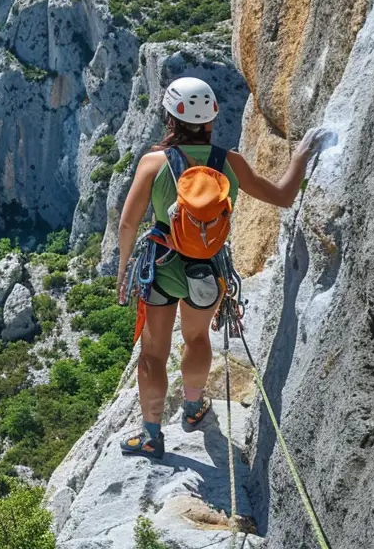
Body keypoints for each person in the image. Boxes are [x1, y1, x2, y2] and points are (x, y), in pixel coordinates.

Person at [114, 77, 333, 458]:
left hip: (162, 268)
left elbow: (128, 223)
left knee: (153, 354)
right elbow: (282, 196)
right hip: (207, 268)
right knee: (198, 340)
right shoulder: (229, 163)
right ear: (212, 118)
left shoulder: (153, 163)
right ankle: (194, 407)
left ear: (170, 118)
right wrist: (299, 157)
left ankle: (151, 435)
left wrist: (122, 271)